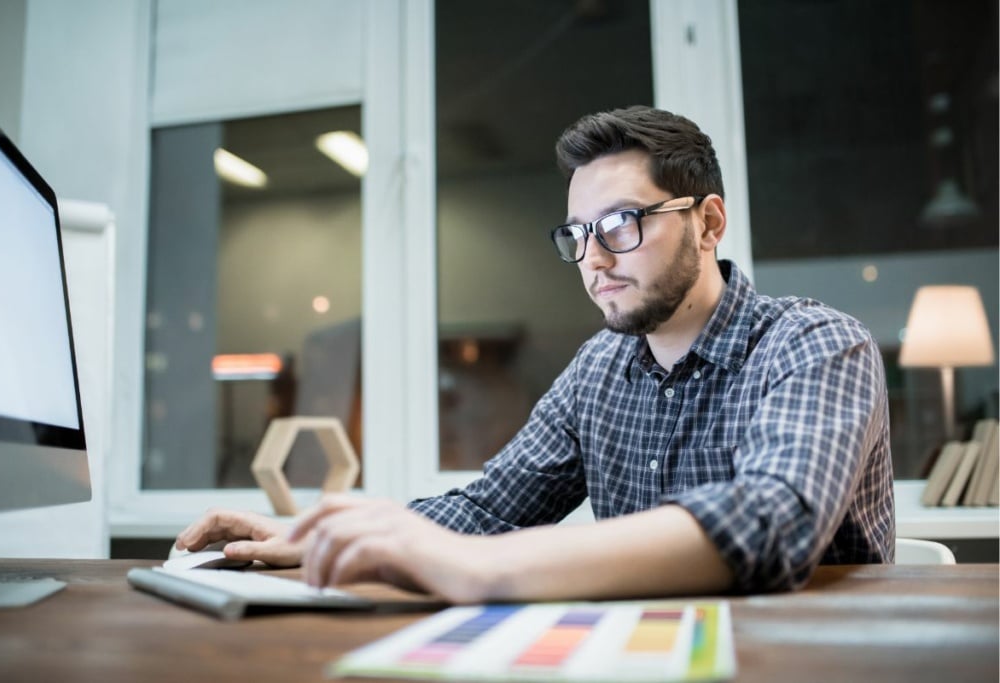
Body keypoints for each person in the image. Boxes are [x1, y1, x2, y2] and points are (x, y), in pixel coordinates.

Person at [177, 106, 895, 604]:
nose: (593, 259)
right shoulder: (599, 368)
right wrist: (327, 531)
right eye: (577, 233)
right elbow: (490, 508)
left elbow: (772, 520)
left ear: (708, 223)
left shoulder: (816, 344)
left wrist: (478, 570)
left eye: (619, 224)